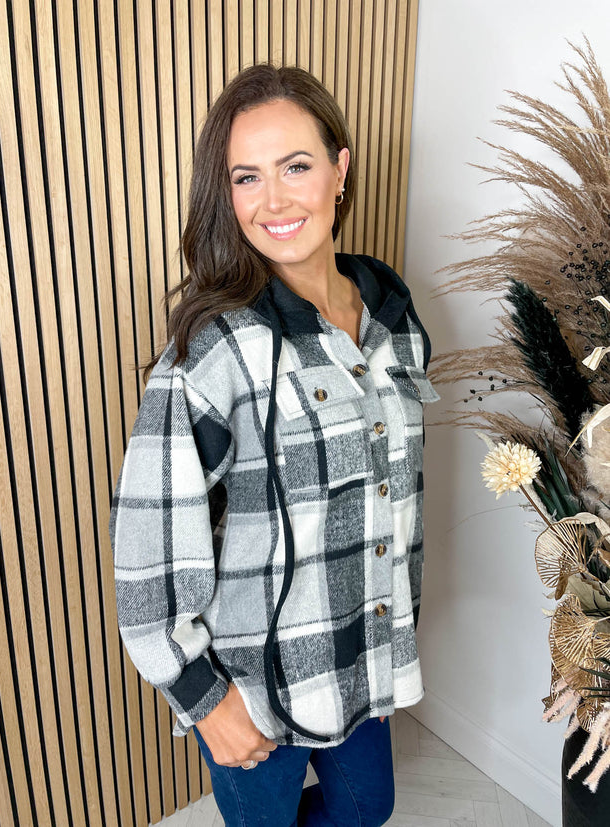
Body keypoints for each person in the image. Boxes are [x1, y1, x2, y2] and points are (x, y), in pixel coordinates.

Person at [110, 64, 438, 827]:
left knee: (368, 807)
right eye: (246, 177)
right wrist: (204, 699)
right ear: (226, 195)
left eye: (295, 166)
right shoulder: (216, 348)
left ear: (339, 169)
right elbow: (148, 543)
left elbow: (396, 493)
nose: (274, 200)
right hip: (252, 685)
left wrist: (389, 636)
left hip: (359, 659)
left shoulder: (393, 316)